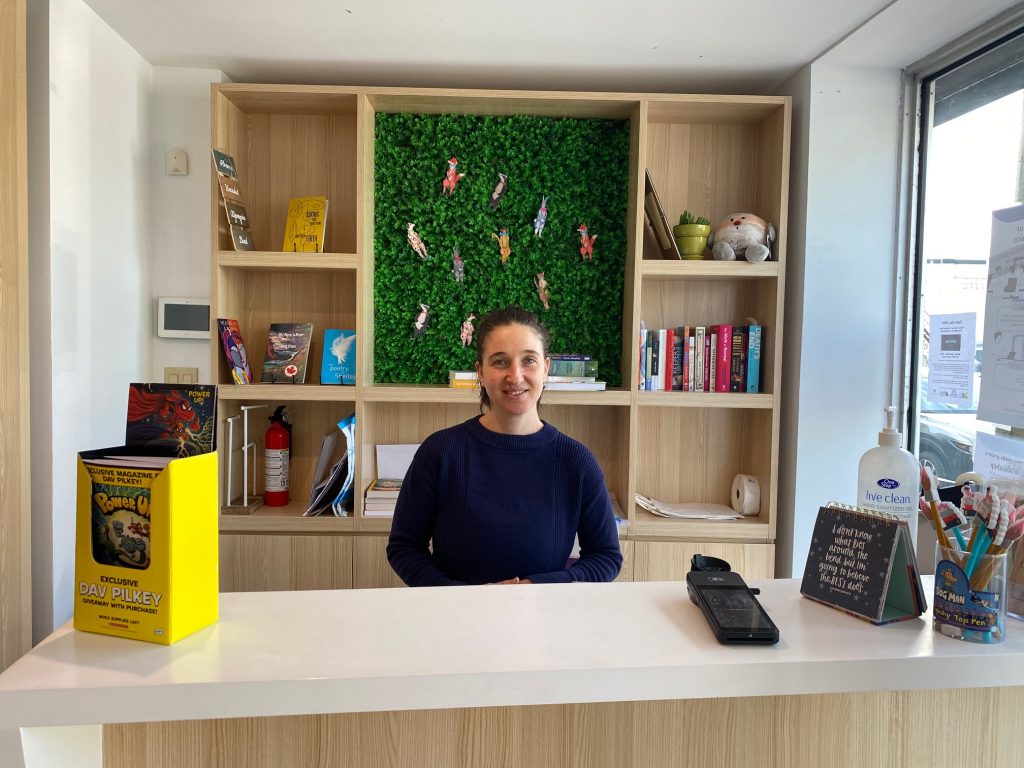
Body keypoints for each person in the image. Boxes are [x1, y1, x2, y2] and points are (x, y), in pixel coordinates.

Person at [386, 305, 623, 586]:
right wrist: (464, 598)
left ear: (546, 369)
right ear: (481, 373)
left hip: (546, 618)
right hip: (454, 619)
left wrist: (540, 587)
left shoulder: (577, 461)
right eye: (500, 362)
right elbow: (404, 547)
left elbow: (606, 557)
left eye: (529, 361)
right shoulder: (441, 452)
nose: (516, 376)